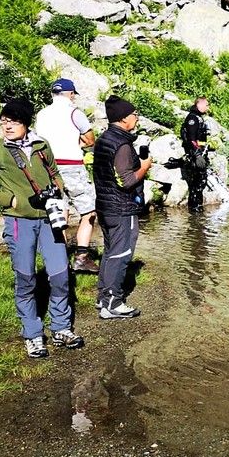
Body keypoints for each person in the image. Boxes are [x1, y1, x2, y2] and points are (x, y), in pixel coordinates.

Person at [0, 98, 83, 358]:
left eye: (14, 121)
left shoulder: (42, 145)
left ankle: (61, 327)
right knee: (26, 278)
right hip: (18, 221)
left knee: (60, 275)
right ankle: (33, 334)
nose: (7, 126)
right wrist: (12, 200)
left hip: (49, 219)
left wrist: (59, 198)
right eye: (4, 121)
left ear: (26, 123)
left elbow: (55, 173)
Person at [34, 78, 99, 273]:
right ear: (71, 94)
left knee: (60, 211)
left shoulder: (41, 114)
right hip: (72, 166)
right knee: (88, 211)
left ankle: (61, 259)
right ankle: (81, 257)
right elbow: (90, 140)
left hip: (48, 167)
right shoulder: (74, 112)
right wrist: (76, 143)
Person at [94, 95, 150, 319]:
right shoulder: (122, 145)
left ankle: (103, 297)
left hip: (105, 205)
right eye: (135, 114)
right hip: (121, 208)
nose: (137, 118)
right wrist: (145, 167)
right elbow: (126, 180)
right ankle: (113, 303)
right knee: (122, 253)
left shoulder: (104, 139)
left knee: (110, 252)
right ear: (124, 118)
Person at [180, 96, 209, 213]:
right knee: (197, 182)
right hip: (195, 155)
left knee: (200, 182)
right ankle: (195, 210)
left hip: (200, 153)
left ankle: (197, 211)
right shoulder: (192, 118)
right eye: (206, 105)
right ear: (199, 104)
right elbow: (191, 138)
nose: (208, 107)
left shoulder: (198, 117)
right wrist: (197, 155)